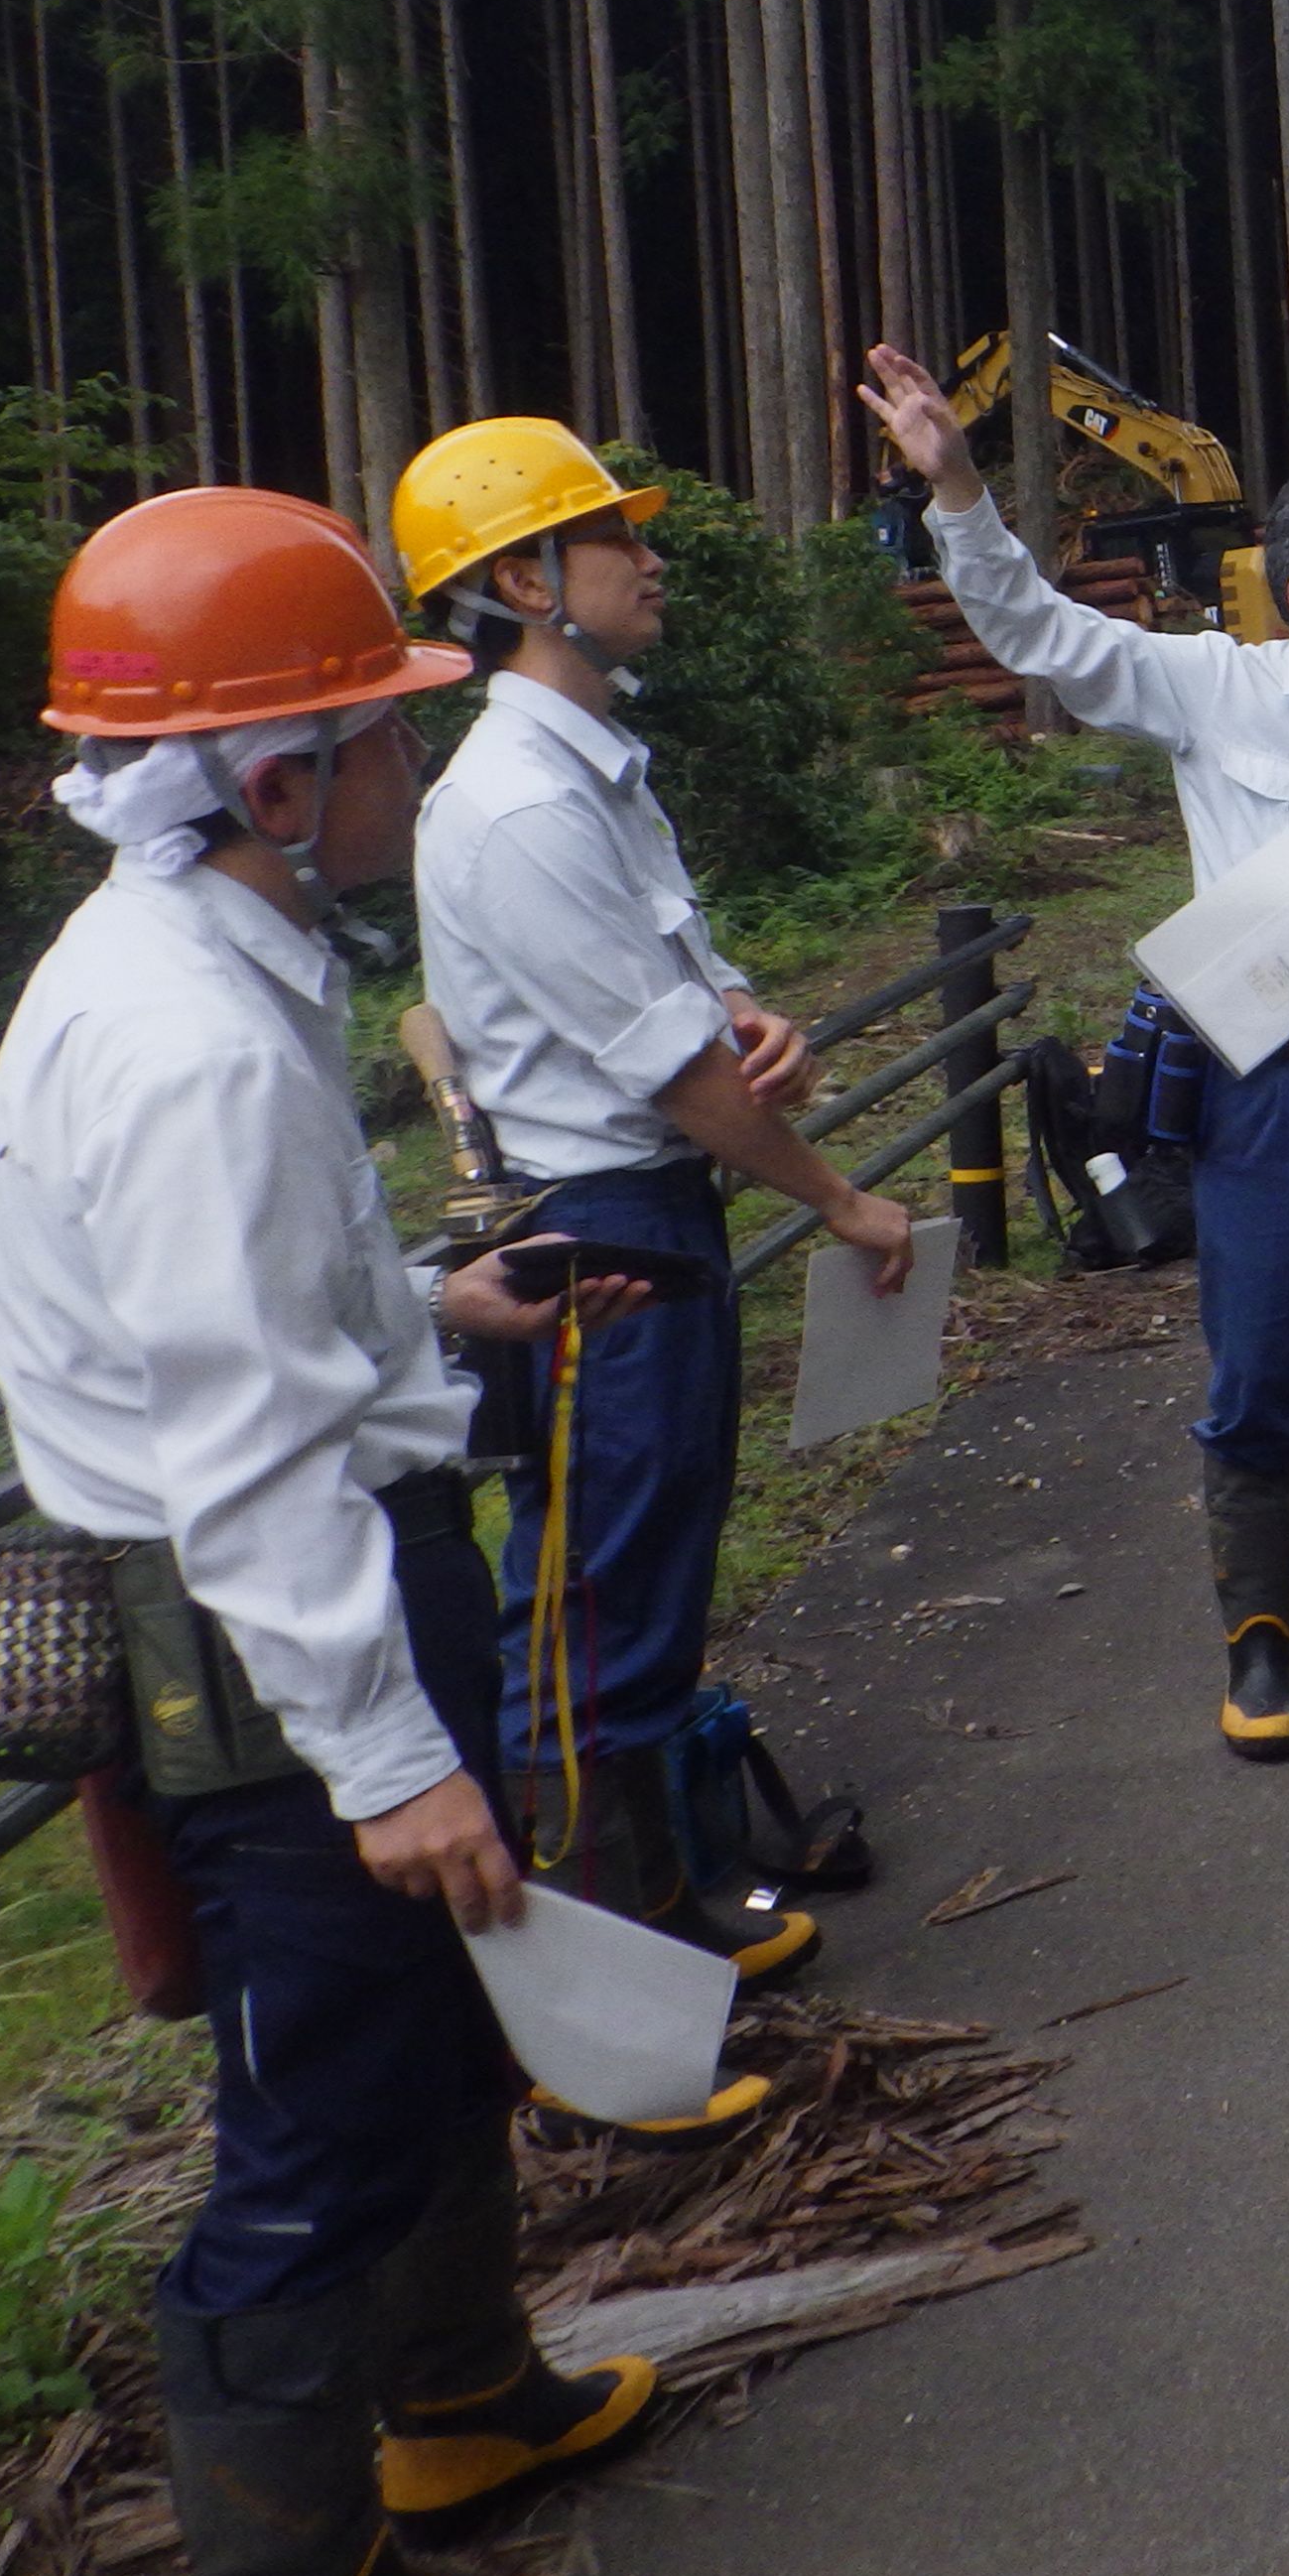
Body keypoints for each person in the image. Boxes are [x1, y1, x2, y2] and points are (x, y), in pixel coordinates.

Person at [0, 488, 662, 2576]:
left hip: (336, 1581)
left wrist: (426, 1322)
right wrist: (389, 1760)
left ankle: (457, 2393)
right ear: (276, 787)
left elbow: (265, 1329)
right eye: (378, 734)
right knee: (313, 2129)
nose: (408, 766)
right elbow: (249, 1465)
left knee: (437, 2026)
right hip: (277, 1655)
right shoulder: (187, 1048)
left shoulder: (216, 964)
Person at [853, 344, 1289, 1756]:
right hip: (1273, 1097)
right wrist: (958, 487)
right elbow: (1039, 632)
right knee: (1263, 1371)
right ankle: (1260, 1651)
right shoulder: (1210, 690)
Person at [396, 419, 911, 1986]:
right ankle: (601, 1961)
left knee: (657, 1545)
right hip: (595, 1223)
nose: (651, 557)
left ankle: (657, 1895)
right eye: (615, 534)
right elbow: (670, 1076)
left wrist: (753, 1009)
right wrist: (838, 1199)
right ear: (523, 581)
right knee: (592, 1586)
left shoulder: (596, 768)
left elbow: (686, 995)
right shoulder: (521, 807)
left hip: (650, 1205)